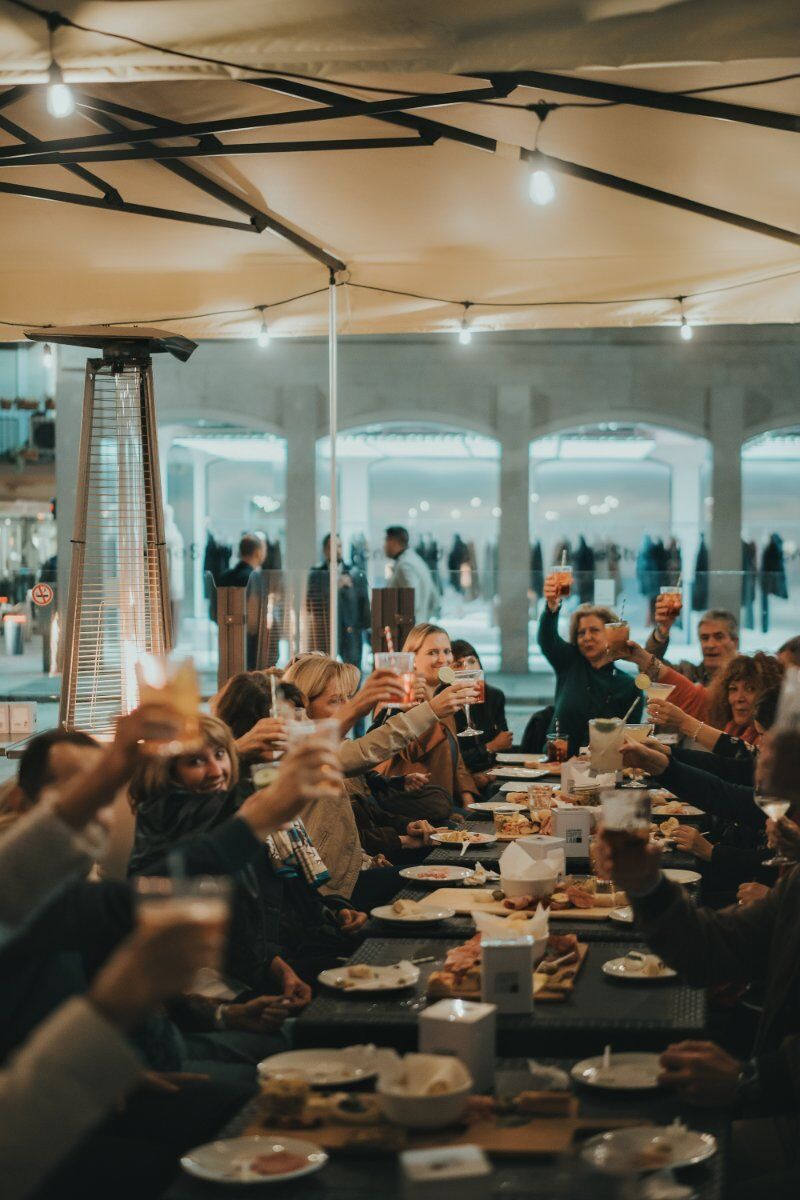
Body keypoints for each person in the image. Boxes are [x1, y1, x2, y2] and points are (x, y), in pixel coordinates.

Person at [594, 820, 800, 1197]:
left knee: (636, 1178)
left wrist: (750, 1078)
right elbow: (713, 948)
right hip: (778, 1103)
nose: (761, 761)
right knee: (615, 1150)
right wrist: (647, 886)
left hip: (784, 1116)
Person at [128, 715, 362, 990]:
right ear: (168, 772)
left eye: (219, 755)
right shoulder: (175, 820)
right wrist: (273, 966)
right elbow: (225, 945)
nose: (216, 771)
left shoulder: (236, 812)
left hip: (279, 956)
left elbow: (286, 898)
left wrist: (334, 912)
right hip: (235, 984)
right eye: (195, 761)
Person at [371, 624, 479, 810]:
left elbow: (455, 756)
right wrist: (430, 710)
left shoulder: (441, 695)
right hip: (410, 806)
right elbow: (410, 752)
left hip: (441, 803)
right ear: (411, 658)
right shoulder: (396, 697)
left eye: (447, 651)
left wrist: (468, 797)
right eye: (433, 653)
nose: (443, 659)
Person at [537, 578, 642, 757]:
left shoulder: (629, 685)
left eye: (594, 630)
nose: (586, 637)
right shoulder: (570, 663)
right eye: (581, 633)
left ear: (611, 634)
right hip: (557, 764)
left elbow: (629, 741)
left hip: (605, 769)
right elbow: (547, 639)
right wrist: (551, 606)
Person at [450, 639, 512, 779]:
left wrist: (491, 773)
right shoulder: (445, 702)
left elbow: (504, 742)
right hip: (460, 777)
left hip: (492, 772)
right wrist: (489, 747)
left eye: (472, 661)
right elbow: (453, 758)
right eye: (458, 664)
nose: (467, 668)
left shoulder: (494, 696)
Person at [307, 534, 371, 667]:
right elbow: (311, 603)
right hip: (325, 632)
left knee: (352, 672)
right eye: (332, 546)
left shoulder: (355, 573)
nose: (337, 550)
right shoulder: (316, 574)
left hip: (351, 632)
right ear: (325, 550)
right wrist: (334, 585)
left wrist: (366, 629)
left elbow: (363, 603)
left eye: (339, 546)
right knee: (323, 671)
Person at [645, 604, 739, 685]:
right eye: (704, 638)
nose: (710, 645)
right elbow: (648, 666)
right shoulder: (687, 675)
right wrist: (663, 629)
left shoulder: (749, 678)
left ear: (735, 642)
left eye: (719, 637)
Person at [215, 533, 267, 667]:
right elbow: (254, 619)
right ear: (258, 553)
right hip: (249, 643)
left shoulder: (224, 576)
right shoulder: (254, 578)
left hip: (226, 639)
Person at [384, 525, 438, 622]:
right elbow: (434, 599)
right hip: (419, 625)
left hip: (408, 630)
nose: (384, 546)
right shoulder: (415, 560)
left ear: (393, 542)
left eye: (386, 541)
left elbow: (412, 601)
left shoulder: (405, 565)